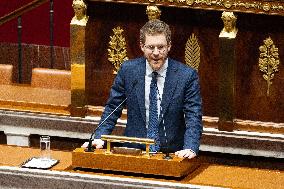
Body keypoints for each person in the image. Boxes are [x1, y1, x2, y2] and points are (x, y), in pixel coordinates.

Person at [82, 19, 203, 159]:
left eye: (161, 47)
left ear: (169, 46)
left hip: (171, 154)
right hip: (133, 152)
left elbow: (193, 116)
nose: (156, 53)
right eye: (151, 47)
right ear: (142, 47)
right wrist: (99, 137)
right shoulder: (128, 71)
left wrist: (190, 147)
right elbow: (113, 108)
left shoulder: (186, 76)